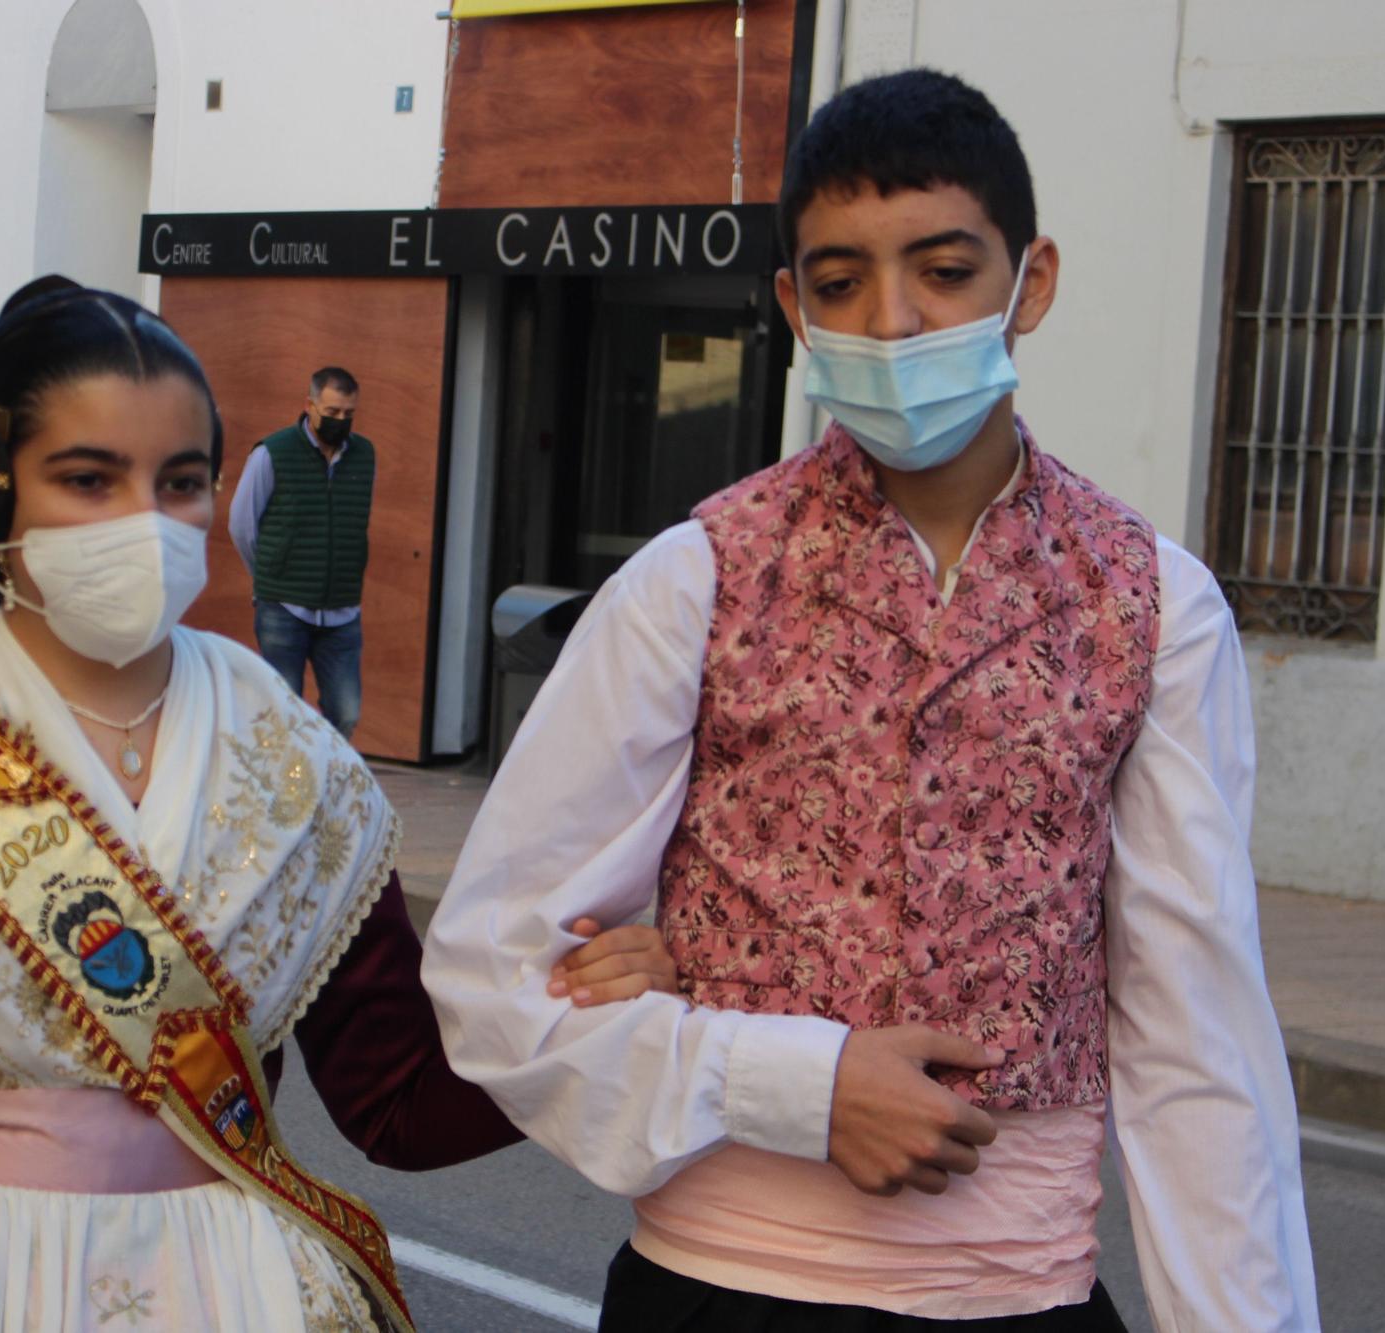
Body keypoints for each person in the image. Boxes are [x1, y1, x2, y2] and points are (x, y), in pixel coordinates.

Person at [422, 69, 1319, 1332]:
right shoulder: (696, 579)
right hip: (722, 1295)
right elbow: (494, 974)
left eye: (944, 272)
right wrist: (794, 1078)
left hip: (1019, 1296)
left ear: (1031, 281)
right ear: (793, 305)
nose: (892, 322)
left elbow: (1194, 1033)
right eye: (840, 283)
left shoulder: (1153, 606)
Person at [0, 286, 678, 1333]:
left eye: (179, 482)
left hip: (234, 1286)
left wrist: (584, 1021)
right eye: (87, 477)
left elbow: (393, 1101)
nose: (143, 522)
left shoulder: (295, 758)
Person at [228, 366, 373, 739]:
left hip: (342, 610)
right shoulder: (272, 453)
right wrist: (269, 576)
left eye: (348, 414)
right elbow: (242, 525)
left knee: (346, 712)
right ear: (309, 405)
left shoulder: (363, 455)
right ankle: (286, 792)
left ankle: (326, 784)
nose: (340, 421)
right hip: (283, 610)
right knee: (283, 715)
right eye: (332, 413)